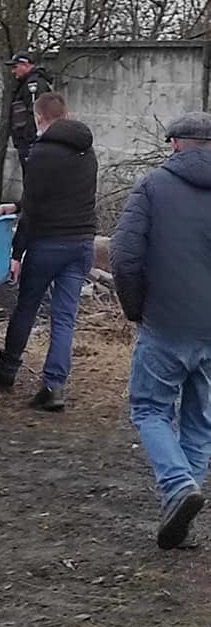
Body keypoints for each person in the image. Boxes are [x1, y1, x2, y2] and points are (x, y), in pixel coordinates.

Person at [111, 111, 211, 550]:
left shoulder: (152, 186)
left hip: (166, 323)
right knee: (201, 420)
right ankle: (182, 513)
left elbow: (124, 256)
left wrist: (137, 309)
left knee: (150, 409)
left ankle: (177, 488)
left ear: (173, 145)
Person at [0, 92, 97, 411]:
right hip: (82, 243)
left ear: (38, 118)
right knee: (64, 317)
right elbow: (60, 196)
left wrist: (17, 253)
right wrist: (16, 205)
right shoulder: (86, 150)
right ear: (66, 114)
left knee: (27, 307)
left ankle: (7, 368)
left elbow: (35, 209)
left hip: (48, 243)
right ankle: (54, 387)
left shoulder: (41, 153)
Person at [5, 51, 53, 172]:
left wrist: (32, 141)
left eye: (15, 67)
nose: (13, 71)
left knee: (33, 177)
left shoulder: (33, 85)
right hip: (27, 142)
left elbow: (37, 114)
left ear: (25, 65)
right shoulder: (24, 84)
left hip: (32, 143)